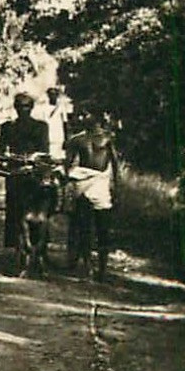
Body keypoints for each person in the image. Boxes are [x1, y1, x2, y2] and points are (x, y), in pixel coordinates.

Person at [65, 112, 120, 282]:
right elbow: (115, 164)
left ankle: (92, 267)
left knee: (86, 227)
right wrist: (116, 186)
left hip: (89, 183)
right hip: (94, 183)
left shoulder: (78, 140)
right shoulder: (104, 138)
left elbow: (68, 163)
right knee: (99, 228)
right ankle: (96, 268)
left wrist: (67, 178)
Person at [0, 92, 50, 249]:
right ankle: (14, 240)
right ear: (15, 107)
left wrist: (35, 158)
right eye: (19, 106)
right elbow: (1, 149)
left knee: (42, 203)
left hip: (35, 170)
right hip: (14, 170)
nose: (22, 110)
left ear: (31, 108)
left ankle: (41, 239)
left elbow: (44, 150)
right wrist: (4, 156)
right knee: (13, 205)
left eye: (25, 106)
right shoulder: (7, 127)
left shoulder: (41, 126)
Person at [44, 87, 72, 160]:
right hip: (48, 135)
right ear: (48, 95)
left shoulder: (61, 107)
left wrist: (67, 139)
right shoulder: (44, 107)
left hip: (59, 135)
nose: (53, 96)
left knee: (59, 157)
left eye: (55, 94)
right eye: (51, 94)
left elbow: (65, 123)